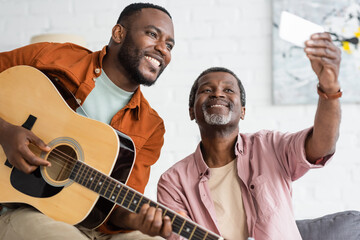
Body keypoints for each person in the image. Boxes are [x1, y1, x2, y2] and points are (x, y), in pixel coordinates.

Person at [0, 2, 174, 240]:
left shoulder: (151, 126)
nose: (162, 49)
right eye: (153, 34)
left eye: (169, 45)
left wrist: (138, 220)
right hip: (21, 209)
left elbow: (117, 207)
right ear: (119, 33)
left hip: (93, 225)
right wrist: (5, 131)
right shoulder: (53, 57)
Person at [157, 32, 342, 240]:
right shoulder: (173, 182)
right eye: (207, 90)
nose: (218, 93)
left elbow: (322, 146)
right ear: (191, 111)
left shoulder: (271, 146)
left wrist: (329, 88)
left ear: (243, 111)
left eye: (228, 90)